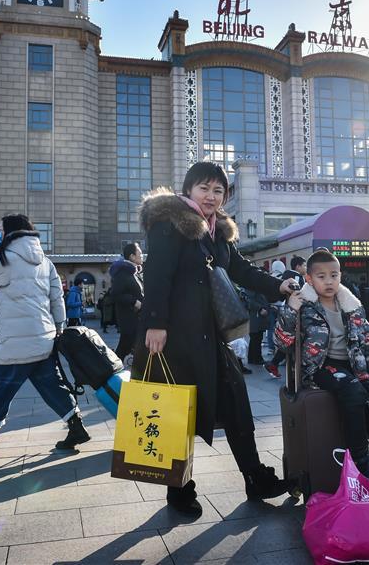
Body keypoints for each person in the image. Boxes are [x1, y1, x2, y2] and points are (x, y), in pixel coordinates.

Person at [136, 162, 298, 517]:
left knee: (237, 404)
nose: (211, 196)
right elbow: (157, 274)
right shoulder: (169, 223)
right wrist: (155, 323)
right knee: (178, 411)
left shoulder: (218, 231)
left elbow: (241, 269)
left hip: (212, 337)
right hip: (175, 338)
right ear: (189, 189)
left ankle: (256, 477)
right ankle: (178, 490)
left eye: (218, 191)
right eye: (204, 188)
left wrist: (278, 286)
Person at [0, 214, 89, 455]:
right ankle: (76, 426)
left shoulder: (5, 259)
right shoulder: (44, 260)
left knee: (0, 387)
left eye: (0, 230)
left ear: (10, 233)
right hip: (43, 336)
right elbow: (56, 296)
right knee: (52, 385)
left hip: (15, 340)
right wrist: (59, 326)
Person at [275, 249, 369, 482]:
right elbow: (282, 342)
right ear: (309, 279)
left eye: (334, 275)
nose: (329, 281)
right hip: (320, 367)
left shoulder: (351, 306)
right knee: (352, 390)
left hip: (353, 366)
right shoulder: (304, 305)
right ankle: (362, 464)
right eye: (321, 276)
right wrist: (290, 308)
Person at [109, 242, 144, 362]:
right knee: (123, 350)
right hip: (129, 321)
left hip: (137, 320)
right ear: (132, 256)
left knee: (129, 351)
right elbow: (115, 294)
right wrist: (134, 301)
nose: (142, 255)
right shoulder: (123, 273)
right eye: (139, 253)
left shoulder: (134, 273)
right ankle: (110, 375)